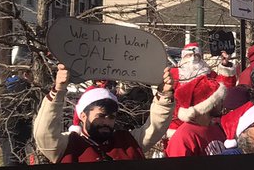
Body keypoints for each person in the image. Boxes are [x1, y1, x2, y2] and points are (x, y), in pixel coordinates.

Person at [34, 63, 173, 162]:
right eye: (100, 116)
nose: (106, 122)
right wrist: (58, 90)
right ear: (83, 115)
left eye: (111, 117)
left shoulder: (127, 142)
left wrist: (164, 95)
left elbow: (155, 128)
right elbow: (44, 133)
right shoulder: (66, 145)